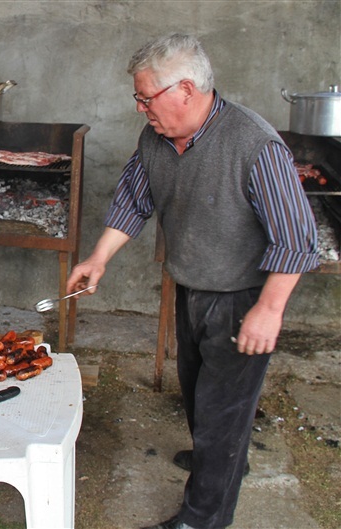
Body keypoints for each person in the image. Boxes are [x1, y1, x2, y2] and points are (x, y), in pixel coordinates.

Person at [66, 34, 319, 529]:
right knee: (200, 392)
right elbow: (133, 200)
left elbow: (297, 238)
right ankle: (223, 460)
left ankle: (203, 517)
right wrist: (98, 259)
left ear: (184, 89)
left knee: (222, 410)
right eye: (137, 99)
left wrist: (268, 310)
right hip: (191, 287)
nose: (141, 109)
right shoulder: (156, 140)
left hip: (242, 296)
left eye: (145, 98)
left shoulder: (253, 143)